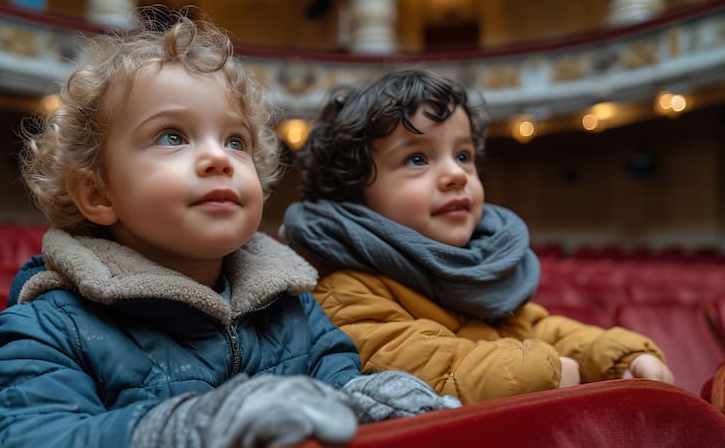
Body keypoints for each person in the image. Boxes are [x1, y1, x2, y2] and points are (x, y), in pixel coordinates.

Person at [0, 14, 459, 448]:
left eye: (236, 141)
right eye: (172, 136)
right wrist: (185, 429)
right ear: (99, 194)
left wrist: (370, 400)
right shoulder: (53, 325)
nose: (219, 158)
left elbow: (336, 381)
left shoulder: (292, 306)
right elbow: (10, 437)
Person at [281, 69, 675, 405]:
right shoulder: (345, 291)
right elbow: (440, 372)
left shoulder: (473, 265)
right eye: (416, 158)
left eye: (463, 155)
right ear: (352, 191)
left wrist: (618, 358)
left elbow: (537, 328)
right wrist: (555, 372)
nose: (456, 174)